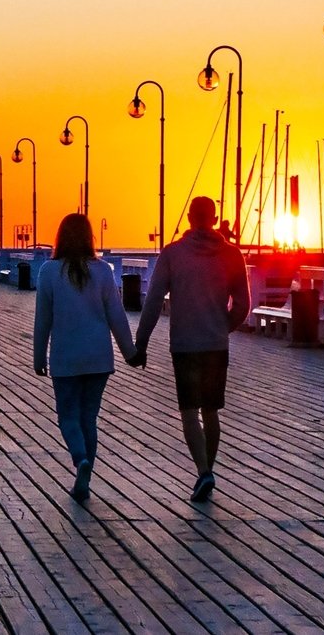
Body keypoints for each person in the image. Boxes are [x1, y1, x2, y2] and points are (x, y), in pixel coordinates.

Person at [134, 196, 251, 503]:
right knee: (211, 411)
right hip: (215, 343)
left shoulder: (172, 254)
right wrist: (222, 328)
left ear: (189, 217)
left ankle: (203, 472)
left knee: (189, 411)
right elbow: (242, 304)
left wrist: (141, 343)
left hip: (184, 344)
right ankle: (207, 471)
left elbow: (153, 301)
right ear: (214, 218)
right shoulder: (231, 255)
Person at [34, 213, 140, 504]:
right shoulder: (104, 271)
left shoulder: (49, 272)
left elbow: (43, 318)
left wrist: (38, 355)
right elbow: (117, 316)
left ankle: (80, 460)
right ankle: (86, 474)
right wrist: (129, 352)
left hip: (65, 357)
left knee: (68, 416)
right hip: (98, 357)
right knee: (88, 418)